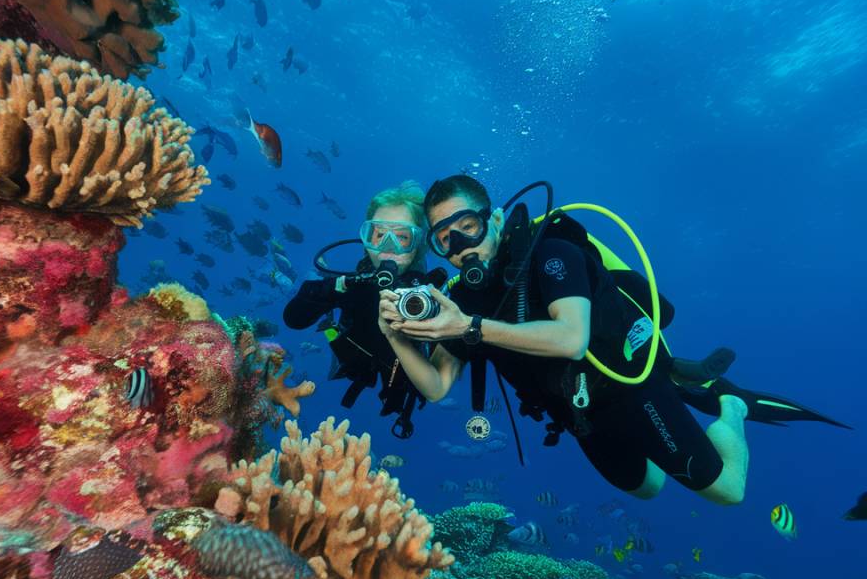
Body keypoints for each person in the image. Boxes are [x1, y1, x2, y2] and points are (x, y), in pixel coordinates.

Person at [378, 174, 847, 504]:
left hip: (628, 388)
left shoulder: (553, 254)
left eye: (468, 228)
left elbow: (572, 339)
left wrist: (469, 327)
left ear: (495, 220)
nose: (460, 246)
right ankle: (673, 428)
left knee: (728, 492)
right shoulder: (463, 301)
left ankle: (731, 410)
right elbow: (438, 388)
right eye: (444, 239)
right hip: (577, 414)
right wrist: (395, 336)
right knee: (646, 488)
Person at [284, 181, 445, 438]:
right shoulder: (350, 285)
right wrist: (327, 289)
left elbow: (440, 378)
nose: (389, 247)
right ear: (367, 240)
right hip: (355, 369)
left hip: (402, 385)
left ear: (418, 245)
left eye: (402, 237)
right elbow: (293, 319)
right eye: (380, 235)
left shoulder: (430, 296)